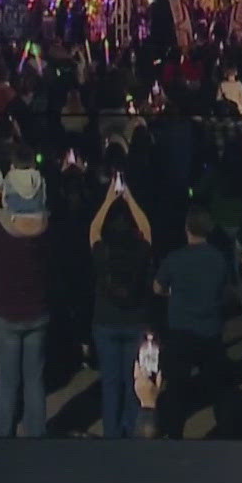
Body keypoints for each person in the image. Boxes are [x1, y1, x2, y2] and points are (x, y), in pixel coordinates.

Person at [0, 170, 51, 438]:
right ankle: (37, 435)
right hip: (38, 312)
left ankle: (4, 436)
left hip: (6, 313)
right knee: (34, 380)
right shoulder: (46, 232)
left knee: (7, 383)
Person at [153, 206, 231, 438]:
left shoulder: (175, 258)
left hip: (180, 331)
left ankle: (175, 435)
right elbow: (226, 290)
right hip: (210, 331)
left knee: (176, 389)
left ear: (187, 228)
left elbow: (157, 287)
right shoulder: (219, 258)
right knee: (218, 389)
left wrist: (174, 294)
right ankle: (226, 432)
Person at [88, 176, 154, 438]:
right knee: (133, 383)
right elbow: (147, 230)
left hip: (105, 321)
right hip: (135, 320)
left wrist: (107, 201)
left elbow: (92, 230)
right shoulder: (140, 249)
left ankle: (111, 434)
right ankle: (132, 432)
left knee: (110, 383)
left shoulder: (102, 251)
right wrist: (130, 198)